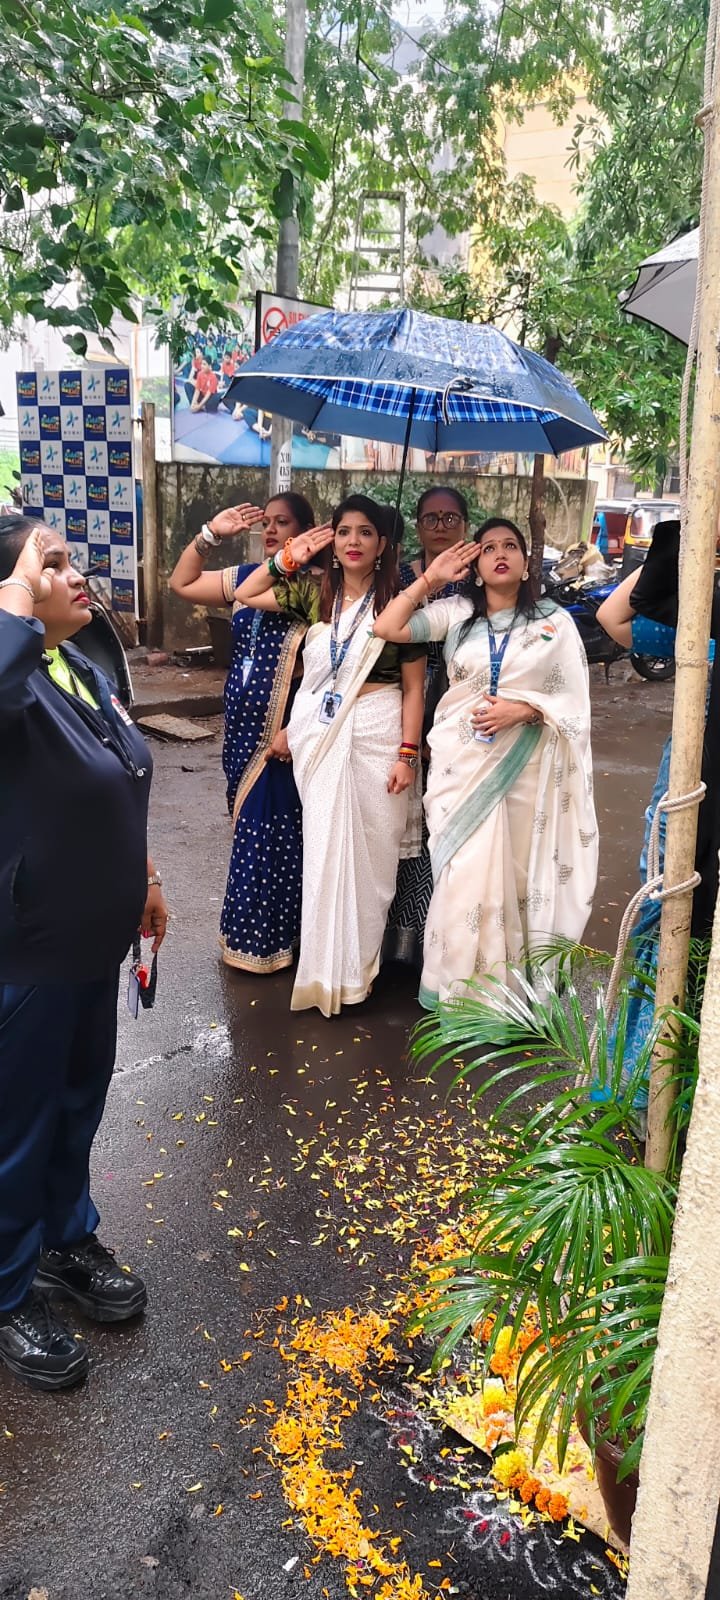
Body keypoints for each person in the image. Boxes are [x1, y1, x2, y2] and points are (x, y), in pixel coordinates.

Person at [0, 515, 168, 1391]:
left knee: (74, 1107)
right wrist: (16, 588)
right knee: (15, 1127)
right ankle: (7, 1290)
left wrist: (145, 876)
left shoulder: (79, 668)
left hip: (91, 941)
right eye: (51, 564)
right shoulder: (12, 679)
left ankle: (64, 1241)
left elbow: (118, 780)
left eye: (68, 560)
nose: (74, 576)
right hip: (27, 948)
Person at [373, 518, 598, 1008]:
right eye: (488, 548)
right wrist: (431, 578)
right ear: (475, 566)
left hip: (527, 768)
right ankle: (461, 997)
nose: (500, 554)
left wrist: (526, 709)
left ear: (525, 563)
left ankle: (509, 999)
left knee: (516, 882)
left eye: (510, 546)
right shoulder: (457, 614)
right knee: (463, 878)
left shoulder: (553, 623)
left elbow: (574, 700)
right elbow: (386, 626)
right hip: (462, 768)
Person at [235, 495, 426, 1016]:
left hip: (379, 734)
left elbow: (414, 688)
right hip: (320, 735)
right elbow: (247, 592)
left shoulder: (400, 603)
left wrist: (407, 754)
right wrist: (288, 557)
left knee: (372, 863)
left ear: (382, 544)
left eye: (365, 532)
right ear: (333, 541)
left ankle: (357, 975)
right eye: (344, 532)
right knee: (322, 856)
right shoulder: (314, 592)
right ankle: (321, 976)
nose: (353, 541)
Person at [170, 494, 316, 973]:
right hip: (239, 734)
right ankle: (252, 937)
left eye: (283, 523)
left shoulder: (317, 589)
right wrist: (211, 533)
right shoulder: (249, 577)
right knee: (251, 834)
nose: (270, 530)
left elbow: (330, 669)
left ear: (305, 532)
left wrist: (296, 728)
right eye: (266, 522)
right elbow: (182, 583)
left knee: (275, 836)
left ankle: (270, 945)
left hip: (282, 736)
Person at [387, 487, 471, 967]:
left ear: (465, 525)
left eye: (450, 518)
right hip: (402, 709)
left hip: (459, 715)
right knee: (405, 826)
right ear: (418, 525)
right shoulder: (398, 577)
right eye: (431, 518)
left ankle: (438, 945)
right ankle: (399, 938)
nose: (441, 526)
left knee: (445, 823)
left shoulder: (477, 579)